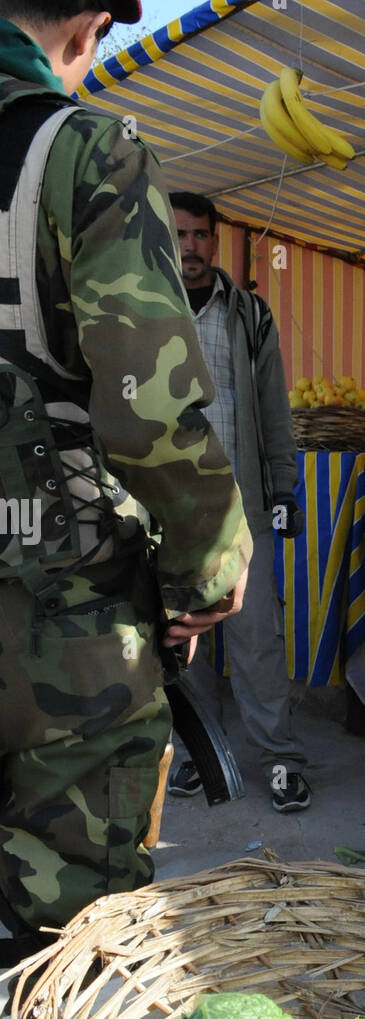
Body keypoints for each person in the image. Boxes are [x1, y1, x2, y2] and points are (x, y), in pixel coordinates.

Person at [0, 0, 252, 967]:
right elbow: (147, 409)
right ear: (91, 27)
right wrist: (210, 558)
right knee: (71, 915)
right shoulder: (81, 149)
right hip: (63, 607)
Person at [167, 192, 310, 813]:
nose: (190, 247)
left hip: (241, 509)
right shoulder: (142, 314)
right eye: (179, 235)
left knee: (256, 639)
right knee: (181, 639)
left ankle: (279, 759)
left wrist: (286, 487)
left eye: (201, 235)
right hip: (169, 509)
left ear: (215, 243)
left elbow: (275, 411)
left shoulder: (249, 314)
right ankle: (201, 752)